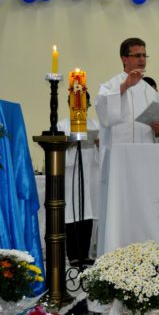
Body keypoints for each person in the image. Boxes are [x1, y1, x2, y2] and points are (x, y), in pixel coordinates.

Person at [95, 37, 159, 255]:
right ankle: (116, 256)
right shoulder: (110, 86)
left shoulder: (150, 92)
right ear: (124, 59)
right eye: (137, 55)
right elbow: (104, 114)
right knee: (119, 212)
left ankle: (147, 255)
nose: (142, 59)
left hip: (145, 169)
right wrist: (124, 87)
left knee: (144, 211)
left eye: (144, 55)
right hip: (119, 168)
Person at [57, 92, 99, 266]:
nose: (80, 107)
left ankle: (86, 253)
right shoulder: (62, 124)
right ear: (69, 104)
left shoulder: (95, 124)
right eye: (75, 103)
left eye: (84, 103)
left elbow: (104, 153)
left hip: (90, 173)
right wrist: (70, 144)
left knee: (88, 214)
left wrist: (99, 144)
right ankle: (73, 254)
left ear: (88, 105)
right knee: (72, 214)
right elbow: (57, 154)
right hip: (71, 175)